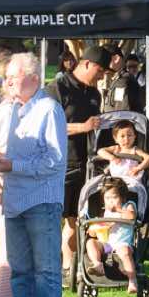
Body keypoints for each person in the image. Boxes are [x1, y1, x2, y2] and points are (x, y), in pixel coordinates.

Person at [0, 52, 68, 297]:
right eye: (5, 78)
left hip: (41, 200)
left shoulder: (49, 109)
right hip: (14, 199)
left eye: (12, 78)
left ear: (33, 78)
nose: (7, 83)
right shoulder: (10, 109)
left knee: (45, 270)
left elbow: (54, 160)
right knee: (19, 270)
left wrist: (13, 165)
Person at [52, 53, 106, 276]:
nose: (101, 77)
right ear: (87, 64)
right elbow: (48, 125)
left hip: (88, 165)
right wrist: (82, 127)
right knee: (59, 219)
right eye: (100, 71)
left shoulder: (94, 93)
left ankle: (70, 268)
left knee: (76, 219)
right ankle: (61, 267)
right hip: (60, 164)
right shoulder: (57, 88)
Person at [83, 178, 142, 290]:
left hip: (122, 243)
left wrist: (118, 210)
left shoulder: (128, 206)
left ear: (122, 197)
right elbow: (96, 232)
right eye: (107, 198)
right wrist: (95, 228)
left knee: (124, 252)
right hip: (107, 244)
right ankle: (97, 264)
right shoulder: (106, 212)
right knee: (91, 243)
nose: (111, 201)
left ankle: (132, 279)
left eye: (114, 198)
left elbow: (131, 216)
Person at [93, 117, 149, 183]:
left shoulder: (135, 150)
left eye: (129, 135)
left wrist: (138, 168)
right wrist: (112, 157)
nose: (126, 139)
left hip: (131, 180)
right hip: (115, 180)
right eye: (122, 136)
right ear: (116, 139)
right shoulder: (116, 148)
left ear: (134, 137)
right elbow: (100, 151)